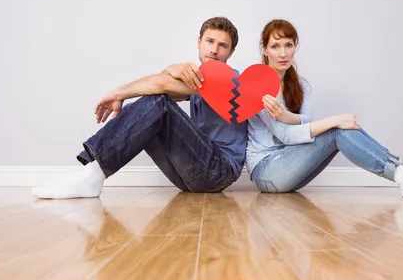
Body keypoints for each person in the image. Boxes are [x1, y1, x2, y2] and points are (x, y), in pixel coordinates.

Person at [32, 17, 247, 199]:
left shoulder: (230, 81)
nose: (214, 50)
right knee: (150, 106)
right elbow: (159, 88)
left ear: (231, 52)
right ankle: (91, 172)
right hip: (192, 175)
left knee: (157, 104)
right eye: (210, 41)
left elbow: (160, 85)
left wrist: (119, 93)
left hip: (218, 171)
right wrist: (171, 69)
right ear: (199, 42)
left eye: (223, 46)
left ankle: (93, 175)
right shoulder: (197, 81)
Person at [246, 19, 403, 199]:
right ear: (265, 50)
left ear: (295, 47)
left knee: (339, 129)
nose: (283, 53)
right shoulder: (258, 85)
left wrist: (288, 116)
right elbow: (287, 136)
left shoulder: (299, 85)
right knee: (337, 129)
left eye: (288, 45)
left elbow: (306, 121)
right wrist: (334, 120)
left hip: (290, 167)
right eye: (275, 46)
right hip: (267, 172)